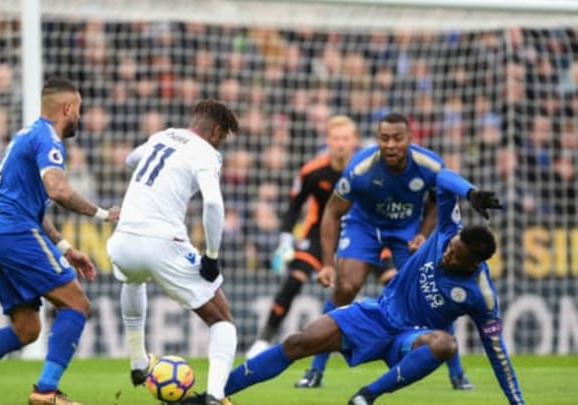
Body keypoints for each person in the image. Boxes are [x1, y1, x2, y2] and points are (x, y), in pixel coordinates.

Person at [220, 170, 526, 405]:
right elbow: (443, 177)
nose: (447, 253)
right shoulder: (448, 230)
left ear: (472, 264)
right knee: (296, 342)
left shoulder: (481, 295)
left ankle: (365, 396)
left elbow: (497, 353)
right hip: (377, 314)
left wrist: (518, 402)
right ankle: (215, 394)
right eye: (449, 249)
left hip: (409, 338)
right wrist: (469, 191)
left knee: (445, 344)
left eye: (455, 257)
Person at [0, 78, 119, 405]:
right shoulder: (48, 138)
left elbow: (37, 210)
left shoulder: (24, 137)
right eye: (79, 111)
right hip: (14, 233)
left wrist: (66, 249)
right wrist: (102, 214)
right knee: (77, 305)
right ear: (67, 108)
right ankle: (45, 391)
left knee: (27, 329)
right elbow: (58, 190)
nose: (80, 119)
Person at [298, 112, 480, 390]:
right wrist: (326, 264)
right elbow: (331, 212)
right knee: (346, 286)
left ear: (410, 139)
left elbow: (439, 202)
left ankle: (457, 373)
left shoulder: (429, 165)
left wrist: (422, 233)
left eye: (398, 138)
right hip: (364, 227)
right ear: (378, 140)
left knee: (431, 295)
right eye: (385, 138)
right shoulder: (360, 168)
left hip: (406, 232)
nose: (391, 144)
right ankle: (315, 370)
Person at [107, 100, 239, 405]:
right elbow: (214, 204)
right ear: (216, 131)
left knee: (133, 279)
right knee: (223, 321)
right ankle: (216, 397)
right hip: (163, 242)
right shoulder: (207, 152)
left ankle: (139, 362)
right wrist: (212, 255)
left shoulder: (163, 136)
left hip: (123, 241)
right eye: (223, 138)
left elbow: (130, 160)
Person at [246, 115, 391, 359]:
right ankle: (263, 338)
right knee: (294, 279)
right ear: (328, 141)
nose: (341, 144)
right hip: (319, 233)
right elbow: (293, 207)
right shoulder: (312, 172)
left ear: (354, 141)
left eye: (346, 139)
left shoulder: (369, 170)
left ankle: (403, 336)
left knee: (391, 279)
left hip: (361, 232)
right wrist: (285, 240)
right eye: (336, 139)